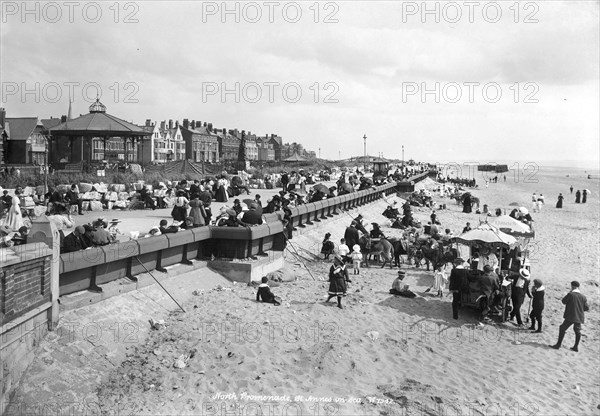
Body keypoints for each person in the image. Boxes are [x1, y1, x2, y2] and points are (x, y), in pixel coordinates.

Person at [551, 281, 590, 352]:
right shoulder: (583, 297)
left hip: (571, 316)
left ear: (573, 287)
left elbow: (563, 301)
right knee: (577, 331)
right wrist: (580, 309)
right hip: (579, 316)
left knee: (562, 328)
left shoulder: (571, 294)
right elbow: (586, 308)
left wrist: (569, 293)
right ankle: (576, 347)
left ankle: (558, 344)